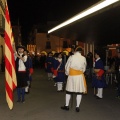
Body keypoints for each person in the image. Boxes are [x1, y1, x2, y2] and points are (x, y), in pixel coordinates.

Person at [61, 46, 87, 112]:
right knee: (79, 92)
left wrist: (67, 73)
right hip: (80, 76)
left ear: (75, 51)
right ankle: (77, 107)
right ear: (81, 52)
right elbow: (84, 68)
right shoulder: (83, 58)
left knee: (68, 91)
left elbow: (67, 66)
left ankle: (66, 106)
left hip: (72, 76)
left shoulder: (71, 57)